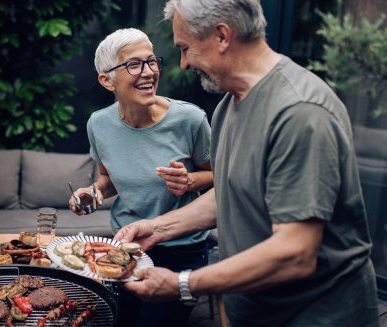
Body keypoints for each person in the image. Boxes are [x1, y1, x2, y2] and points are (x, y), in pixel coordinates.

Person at [115, 1, 380, 326]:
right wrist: (159, 228)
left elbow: (295, 253)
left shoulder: (299, 112)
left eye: (185, 48)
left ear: (222, 36)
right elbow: (232, 191)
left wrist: (182, 284)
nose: (183, 64)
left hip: (316, 316)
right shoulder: (229, 104)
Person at [68, 28, 214, 326]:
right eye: (134, 64)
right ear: (106, 80)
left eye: (151, 61)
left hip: (181, 251)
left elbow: (218, 178)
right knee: (116, 320)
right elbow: (107, 179)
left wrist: (189, 182)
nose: (148, 72)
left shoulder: (191, 119)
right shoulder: (99, 124)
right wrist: (92, 193)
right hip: (125, 248)